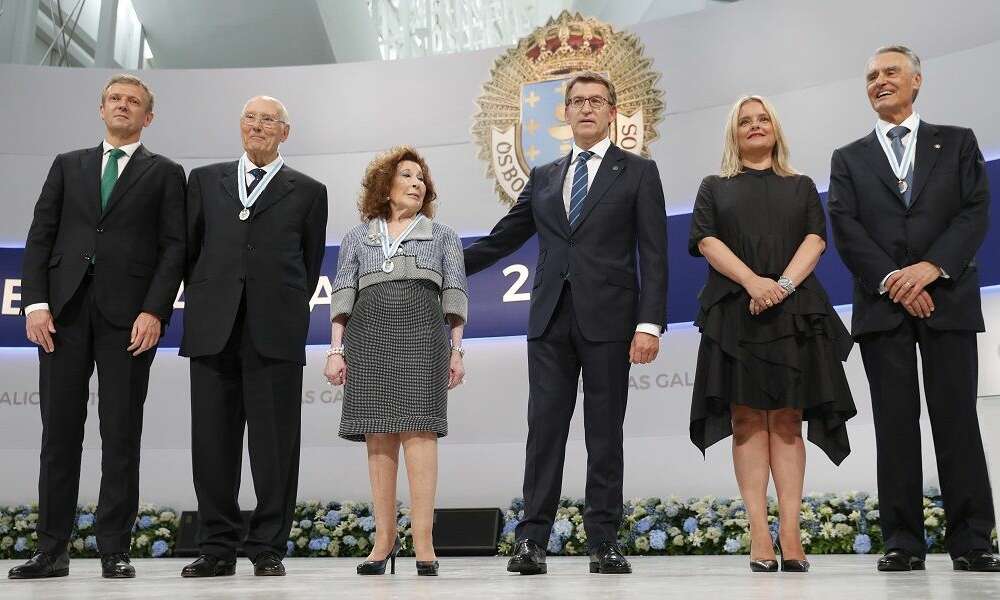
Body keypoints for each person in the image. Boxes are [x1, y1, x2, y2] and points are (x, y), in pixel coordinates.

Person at [464, 71, 667, 575]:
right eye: (576, 102)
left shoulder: (639, 172)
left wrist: (650, 323)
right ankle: (532, 541)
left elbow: (655, 255)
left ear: (612, 112)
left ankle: (603, 542)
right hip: (550, 321)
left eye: (596, 100)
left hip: (611, 321)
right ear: (565, 113)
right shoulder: (545, 175)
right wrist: (444, 260)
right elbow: (503, 236)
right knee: (545, 431)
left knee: (604, 434)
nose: (585, 108)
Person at [828, 45, 999, 573]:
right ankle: (903, 540)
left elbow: (973, 212)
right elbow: (846, 228)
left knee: (956, 420)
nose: (879, 81)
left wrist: (932, 268)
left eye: (891, 72)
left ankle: (973, 540)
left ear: (916, 81)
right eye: (872, 75)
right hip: (883, 308)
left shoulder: (958, 142)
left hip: (946, 299)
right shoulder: (848, 157)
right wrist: (893, 280)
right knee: (894, 426)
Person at [10, 75, 185, 580]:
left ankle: (114, 547)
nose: (123, 106)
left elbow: (175, 247)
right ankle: (51, 549)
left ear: (148, 117)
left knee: (120, 434)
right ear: (101, 108)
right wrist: (35, 303)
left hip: (130, 320)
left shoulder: (166, 173)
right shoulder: (68, 165)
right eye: (115, 99)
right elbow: (40, 235)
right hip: (60, 316)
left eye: (134, 102)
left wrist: (155, 310)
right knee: (58, 435)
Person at [688, 95, 857, 573]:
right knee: (745, 421)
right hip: (735, 311)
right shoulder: (713, 186)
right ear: (734, 132)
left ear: (776, 130)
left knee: (787, 421)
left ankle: (790, 531)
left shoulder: (801, 185)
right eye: (746, 121)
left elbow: (815, 239)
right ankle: (758, 532)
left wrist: (780, 286)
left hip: (794, 309)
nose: (756, 126)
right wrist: (752, 282)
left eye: (764, 119)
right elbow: (706, 240)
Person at [179, 96, 327, 578]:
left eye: (269, 120)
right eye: (250, 117)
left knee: (275, 446)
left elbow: (308, 267)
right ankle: (217, 546)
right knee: (212, 443)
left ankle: (268, 546)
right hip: (213, 327)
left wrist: (277, 307)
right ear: (240, 126)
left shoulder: (307, 190)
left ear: (286, 132)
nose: (257, 126)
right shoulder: (204, 180)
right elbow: (190, 250)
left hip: (275, 331)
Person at [325, 146, 468, 577]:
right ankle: (383, 541)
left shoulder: (442, 235)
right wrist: (336, 349)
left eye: (421, 178)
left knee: (421, 435)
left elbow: (455, 297)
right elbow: (342, 297)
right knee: (378, 438)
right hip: (368, 340)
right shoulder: (357, 237)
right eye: (407, 176)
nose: (417, 184)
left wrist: (456, 349)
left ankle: (423, 542)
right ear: (386, 187)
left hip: (424, 338)